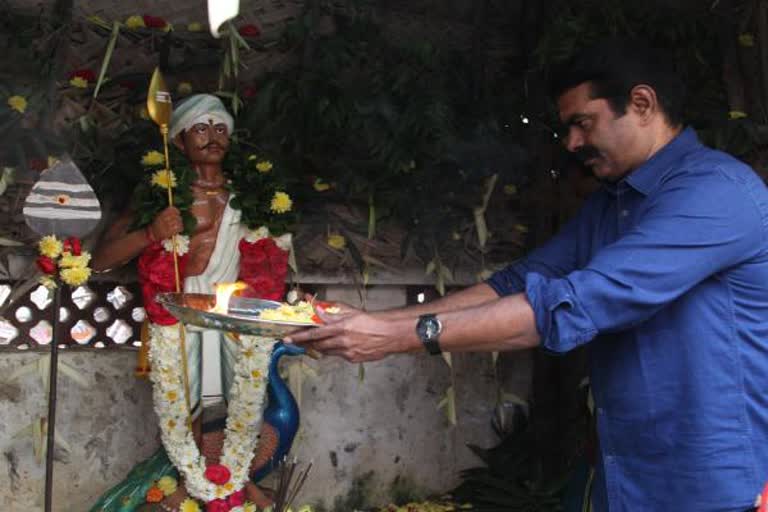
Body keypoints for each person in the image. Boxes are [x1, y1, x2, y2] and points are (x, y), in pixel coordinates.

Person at [287, 40, 768, 511]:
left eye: (583, 122)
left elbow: (573, 303)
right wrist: (374, 321)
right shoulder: (612, 202)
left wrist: (394, 337)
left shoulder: (716, 193)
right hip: (624, 476)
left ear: (642, 103)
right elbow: (518, 282)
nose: (572, 143)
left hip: (713, 484)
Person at [92, 94, 286, 510]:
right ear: (178, 140)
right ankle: (193, 485)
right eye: (201, 127)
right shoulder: (161, 195)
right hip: (179, 315)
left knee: (244, 403)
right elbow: (101, 260)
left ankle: (234, 483)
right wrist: (150, 234)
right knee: (192, 404)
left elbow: (274, 258)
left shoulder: (252, 196)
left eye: (220, 128)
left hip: (236, 316)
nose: (213, 137)